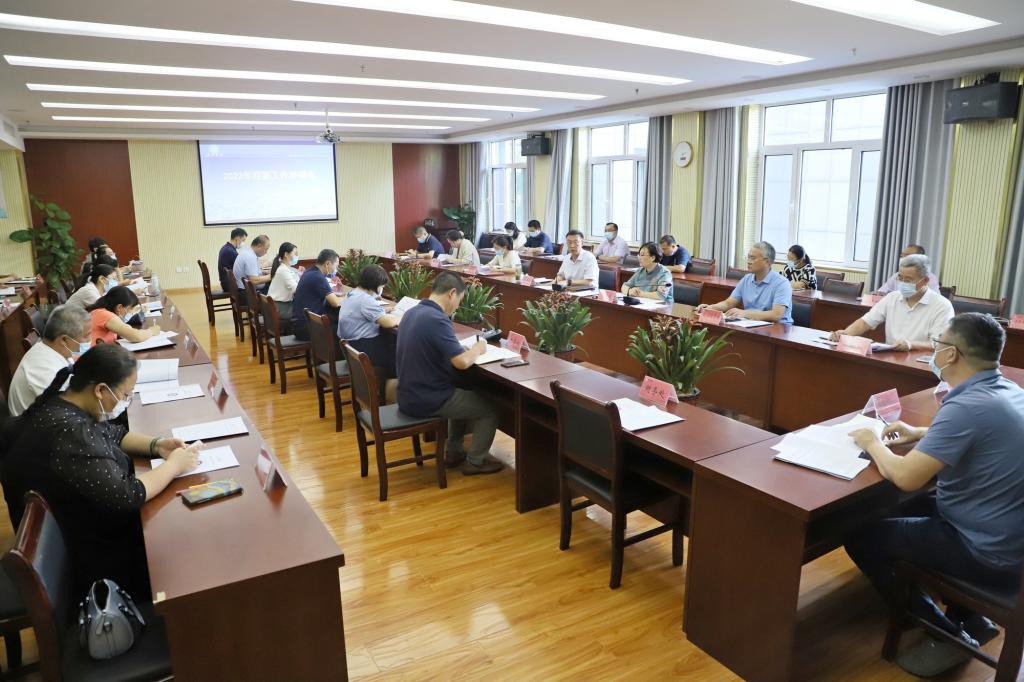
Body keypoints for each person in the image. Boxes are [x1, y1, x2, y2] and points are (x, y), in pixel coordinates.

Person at [845, 313, 1024, 676]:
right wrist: (921, 433)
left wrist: (870, 442)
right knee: (907, 508)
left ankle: (948, 635)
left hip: (984, 551)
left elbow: (905, 477)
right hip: (1008, 538)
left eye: (939, 343)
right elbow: (982, 432)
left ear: (952, 354)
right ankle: (971, 616)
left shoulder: (965, 406)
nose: (935, 351)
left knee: (861, 536)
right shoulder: (1009, 391)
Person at [1, 343, 200, 599]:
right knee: (177, 549)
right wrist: (174, 465)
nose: (125, 401)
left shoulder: (66, 401)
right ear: (100, 390)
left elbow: (114, 434)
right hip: (90, 561)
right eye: (125, 394)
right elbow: (128, 494)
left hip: (78, 525)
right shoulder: (71, 432)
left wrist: (157, 445)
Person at [396, 272, 503, 475]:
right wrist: (478, 348)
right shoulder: (437, 319)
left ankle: (454, 451)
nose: (458, 306)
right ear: (452, 293)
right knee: (491, 409)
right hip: (426, 398)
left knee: (463, 388)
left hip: (407, 393)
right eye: (459, 300)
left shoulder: (412, 312)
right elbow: (462, 362)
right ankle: (476, 462)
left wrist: (461, 350)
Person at [829, 255, 953, 352]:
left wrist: (911, 345)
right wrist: (845, 334)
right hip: (891, 357)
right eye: (900, 278)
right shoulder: (892, 297)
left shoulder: (942, 306)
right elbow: (866, 322)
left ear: (925, 280)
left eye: (908, 280)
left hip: (920, 363)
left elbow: (939, 344)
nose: (902, 283)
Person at [8, 304, 91, 416]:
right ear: (64, 340)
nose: (90, 340)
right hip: (36, 424)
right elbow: (71, 411)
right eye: (86, 336)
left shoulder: (55, 351)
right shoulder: (44, 369)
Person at [338, 265, 399, 403]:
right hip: (363, 348)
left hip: (352, 347)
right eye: (382, 285)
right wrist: (405, 316)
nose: (382, 289)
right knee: (398, 355)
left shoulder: (353, 294)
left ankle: (386, 391)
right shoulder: (365, 300)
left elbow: (364, 312)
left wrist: (385, 310)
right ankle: (391, 397)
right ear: (375, 284)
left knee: (392, 344)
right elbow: (388, 323)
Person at [695, 241, 793, 324]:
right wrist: (710, 308)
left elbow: (776, 315)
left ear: (767, 262)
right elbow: (728, 303)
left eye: (753, 258)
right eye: (748, 257)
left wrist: (744, 313)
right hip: (752, 324)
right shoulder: (746, 279)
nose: (749, 261)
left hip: (778, 329)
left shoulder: (782, 283)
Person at [290, 249, 344, 342]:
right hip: (306, 329)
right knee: (342, 329)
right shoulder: (318, 277)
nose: (336, 269)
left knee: (335, 316)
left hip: (299, 325)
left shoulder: (310, 272)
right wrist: (349, 296)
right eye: (336, 266)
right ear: (327, 264)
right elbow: (335, 302)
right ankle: (331, 352)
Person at [87, 286, 160, 345]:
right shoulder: (104, 314)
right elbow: (136, 336)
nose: (129, 312)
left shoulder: (101, 311)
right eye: (129, 309)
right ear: (119, 307)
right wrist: (152, 331)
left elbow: (127, 330)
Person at [875, 244, 940, 296]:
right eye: (901, 256)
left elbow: (935, 298)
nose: (903, 259)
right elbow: (881, 292)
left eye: (907, 256)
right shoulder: (897, 275)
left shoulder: (930, 277)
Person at [267, 241, 302, 320]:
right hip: (280, 307)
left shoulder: (283, 267)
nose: (296, 256)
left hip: (276, 305)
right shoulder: (283, 270)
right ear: (286, 254)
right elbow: (296, 289)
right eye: (295, 254)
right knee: (304, 314)